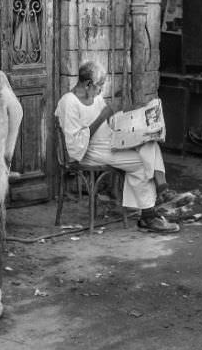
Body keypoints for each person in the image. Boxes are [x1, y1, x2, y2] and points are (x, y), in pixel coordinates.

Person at [54, 61, 179, 233]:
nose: (101, 90)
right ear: (88, 83)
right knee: (143, 163)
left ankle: (160, 192)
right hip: (90, 151)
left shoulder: (94, 96)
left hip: (109, 141)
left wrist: (133, 120)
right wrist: (102, 117)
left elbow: (109, 121)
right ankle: (149, 215)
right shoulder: (69, 103)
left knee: (149, 141)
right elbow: (75, 145)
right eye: (100, 86)